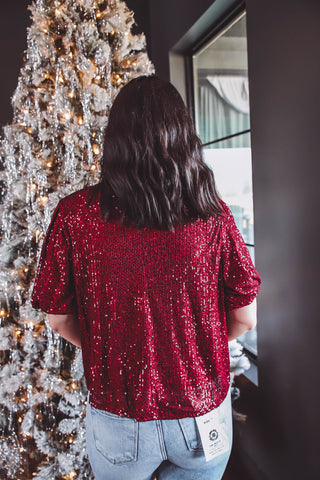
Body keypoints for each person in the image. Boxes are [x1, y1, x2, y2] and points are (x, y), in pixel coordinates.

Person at [31, 75, 261, 480]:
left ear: (115, 139)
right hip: (201, 415)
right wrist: (194, 347)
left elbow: (58, 318)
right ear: (184, 135)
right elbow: (245, 318)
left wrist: (113, 348)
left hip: (119, 419)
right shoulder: (213, 216)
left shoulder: (74, 216)